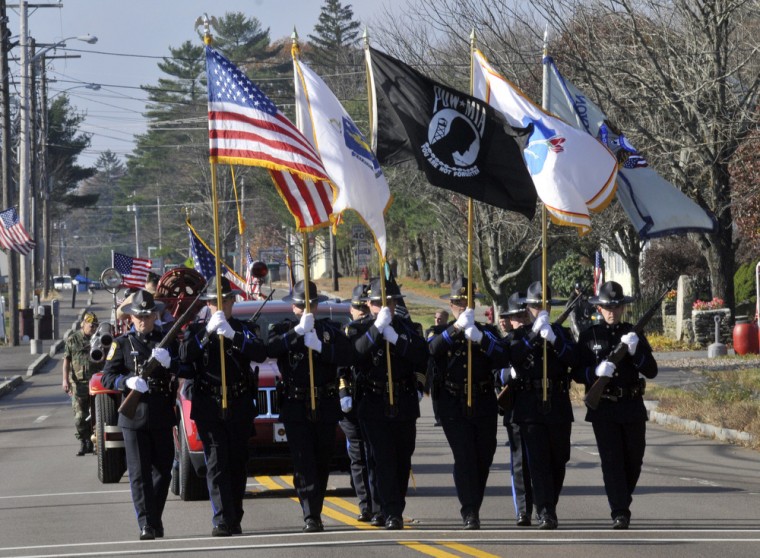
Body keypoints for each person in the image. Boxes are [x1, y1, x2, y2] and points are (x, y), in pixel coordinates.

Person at [179, 276, 267, 536]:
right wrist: (206, 335)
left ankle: (234, 515)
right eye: (215, 302)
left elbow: (260, 352)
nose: (221, 306)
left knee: (237, 464)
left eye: (225, 301)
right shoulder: (195, 331)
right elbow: (184, 356)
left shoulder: (242, 328)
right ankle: (220, 518)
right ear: (208, 304)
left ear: (232, 302)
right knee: (216, 464)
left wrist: (232, 336)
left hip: (238, 403)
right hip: (209, 404)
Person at [267, 280, 353, 532]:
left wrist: (320, 346)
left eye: (310, 304)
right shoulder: (282, 329)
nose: (305, 309)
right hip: (296, 404)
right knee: (303, 460)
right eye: (300, 305)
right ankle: (310, 514)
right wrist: (297, 333)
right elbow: (269, 349)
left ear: (316, 306)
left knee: (321, 460)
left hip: (324, 403)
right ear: (293, 307)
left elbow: (348, 355)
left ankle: (315, 508)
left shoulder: (329, 330)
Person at [571, 281, 658, 529]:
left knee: (634, 459)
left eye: (616, 306)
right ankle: (619, 511)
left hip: (631, 406)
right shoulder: (590, 336)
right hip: (605, 409)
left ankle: (622, 499)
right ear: (599, 309)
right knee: (612, 462)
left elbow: (651, 370)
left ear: (622, 308)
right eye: (607, 307)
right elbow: (577, 372)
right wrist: (594, 372)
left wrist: (636, 352)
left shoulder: (634, 334)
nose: (612, 311)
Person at [428, 277, 508, 529]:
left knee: (484, 457)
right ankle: (469, 510)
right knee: (464, 457)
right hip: (453, 403)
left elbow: (503, 357)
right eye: (458, 303)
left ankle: (474, 504)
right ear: (451, 305)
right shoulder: (440, 332)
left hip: (483, 401)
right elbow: (430, 351)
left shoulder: (487, 332)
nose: (463, 306)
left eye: (467, 302)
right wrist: (456, 330)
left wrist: (480, 338)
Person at [351, 276, 428, 530]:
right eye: (377, 303)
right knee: (381, 459)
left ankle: (391, 506)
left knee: (402, 460)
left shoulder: (408, 329)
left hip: (403, 402)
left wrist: (395, 338)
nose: (383, 307)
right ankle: (390, 510)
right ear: (369, 304)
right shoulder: (359, 329)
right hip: (373, 402)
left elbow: (421, 355)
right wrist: (376, 330)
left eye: (389, 302)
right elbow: (354, 353)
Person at [100, 290, 177, 540]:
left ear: (155, 315)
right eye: (138, 316)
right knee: (138, 473)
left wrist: (170, 363)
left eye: (147, 315)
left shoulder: (167, 341)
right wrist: (127, 381)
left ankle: (154, 518)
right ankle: (146, 523)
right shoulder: (121, 343)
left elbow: (185, 365)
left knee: (163, 471)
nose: (143, 320)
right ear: (131, 318)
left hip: (161, 412)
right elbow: (106, 376)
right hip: (133, 417)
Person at [507, 281, 578, 530]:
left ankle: (549, 503)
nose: (540, 309)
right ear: (528, 308)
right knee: (537, 462)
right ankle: (545, 511)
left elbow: (575, 362)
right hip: (530, 406)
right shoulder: (519, 335)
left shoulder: (562, 333)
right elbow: (512, 357)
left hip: (558, 403)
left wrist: (554, 341)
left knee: (559, 459)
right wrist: (534, 336)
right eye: (536, 305)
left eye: (545, 304)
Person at [338, 284, 380, 523]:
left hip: (372, 398)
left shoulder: (379, 328)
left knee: (373, 454)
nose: (362, 311)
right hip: (352, 401)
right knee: (358, 455)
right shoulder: (347, 332)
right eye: (358, 307)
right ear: (350, 309)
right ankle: (365, 505)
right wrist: (343, 392)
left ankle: (378, 504)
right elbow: (340, 367)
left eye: (365, 306)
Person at [498, 292, 534, 526]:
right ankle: (523, 510)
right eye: (516, 317)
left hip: (541, 407)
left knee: (545, 463)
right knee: (520, 463)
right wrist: (507, 374)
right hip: (517, 408)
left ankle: (543, 507)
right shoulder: (505, 343)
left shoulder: (541, 336)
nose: (520, 320)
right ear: (510, 320)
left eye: (524, 315)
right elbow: (496, 372)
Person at [62, 311, 100, 456]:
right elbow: (66, 361)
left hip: (96, 384)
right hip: (79, 385)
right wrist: (65, 380)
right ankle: (85, 441)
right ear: (82, 324)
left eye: (94, 324)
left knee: (98, 416)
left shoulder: (100, 339)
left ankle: (96, 442)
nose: (92, 326)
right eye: (89, 323)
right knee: (80, 418)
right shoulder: (73, 340)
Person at [424, 309, 449, 427]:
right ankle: (439, 417)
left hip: (448, 368)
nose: (437, 320)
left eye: (440, 318)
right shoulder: (431, 330)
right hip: (435, 368)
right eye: (436, 318)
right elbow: (431, 343)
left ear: (446, 319)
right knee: (436, 394)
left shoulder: (450, 329)